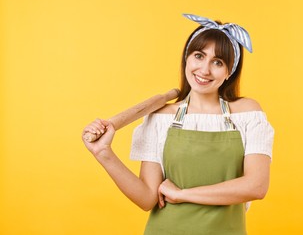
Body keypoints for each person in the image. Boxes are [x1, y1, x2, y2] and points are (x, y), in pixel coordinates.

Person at [82, 14, 275, 235]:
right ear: (187, 58)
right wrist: (103, 153)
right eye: (199, 56)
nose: (204, 70)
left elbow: (256, 186)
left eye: (218, 62)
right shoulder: (162, 117)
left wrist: (182, 194)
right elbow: (147, 198)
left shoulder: (247, 113)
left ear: (229, 71)